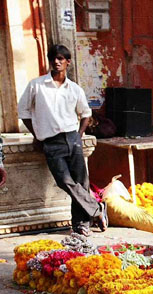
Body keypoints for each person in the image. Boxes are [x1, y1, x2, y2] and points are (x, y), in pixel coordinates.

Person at [17, 44, 107, 237]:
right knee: (64, 181)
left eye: (60, 59)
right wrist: (36, 134)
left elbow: (86, 113)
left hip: (72, 138)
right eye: (53, 59)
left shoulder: (74, 89)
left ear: (68, 62)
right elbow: (23, 111)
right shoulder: (37, 85)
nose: (56, 62)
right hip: (51, 142)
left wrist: (79, 135)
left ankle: (81, 225)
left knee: (80, 182)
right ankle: (97, 209)